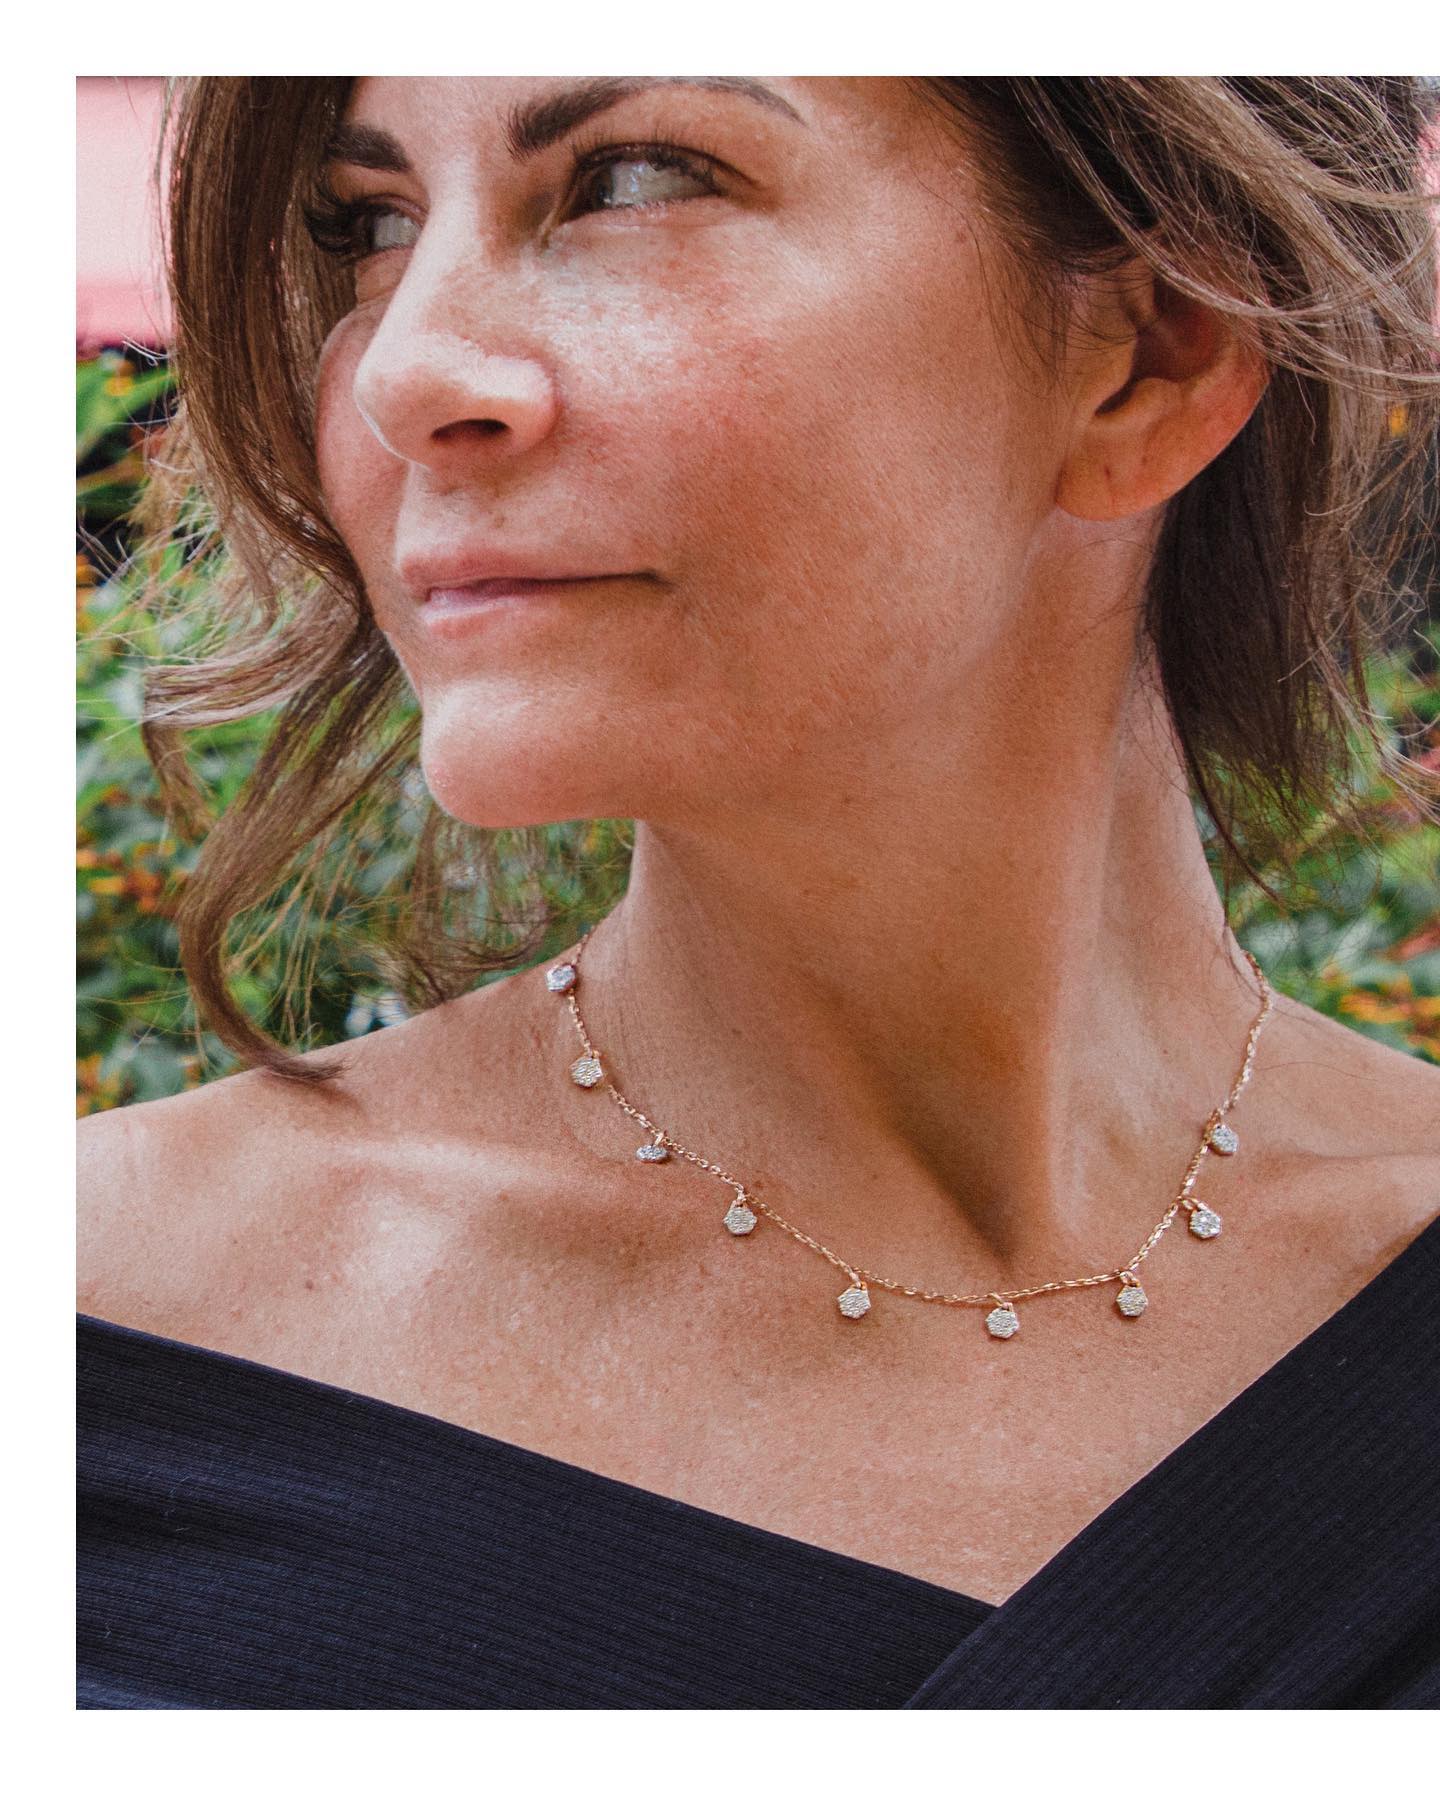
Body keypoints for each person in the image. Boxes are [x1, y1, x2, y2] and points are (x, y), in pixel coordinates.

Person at [77, 76, 1440, 1709]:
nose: (408, 372)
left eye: (633, 180)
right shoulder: (92, 1336)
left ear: (1156, 353)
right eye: (368, 226)